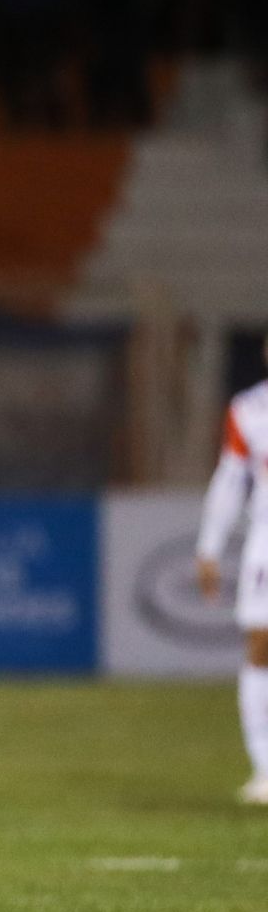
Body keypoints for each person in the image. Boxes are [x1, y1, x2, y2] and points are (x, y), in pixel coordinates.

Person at [196, 340, 268, 806]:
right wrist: (209, 546)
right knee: (261, 645)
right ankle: (265, 768)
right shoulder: (250, 409)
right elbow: (230, 477)